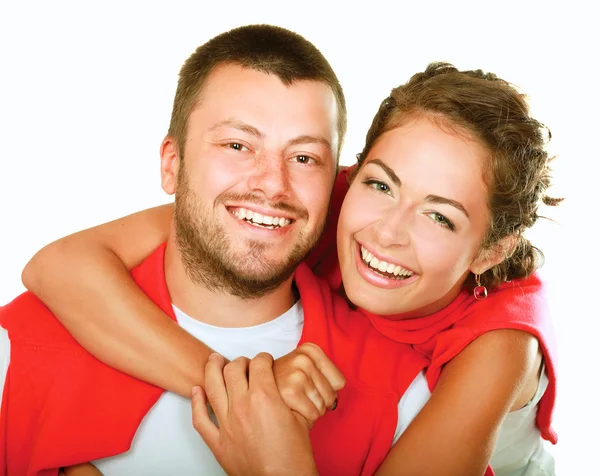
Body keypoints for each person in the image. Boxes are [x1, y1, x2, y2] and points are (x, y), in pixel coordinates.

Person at [16, 61, 560, 475]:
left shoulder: (501, 347)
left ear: (489, 252)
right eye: (380, 184)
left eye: (440, 217)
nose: (388, 232)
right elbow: (59, 265)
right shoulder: (318, 197)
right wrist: (249, 390)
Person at [0, 24, 432, 476]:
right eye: (237, 145)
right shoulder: (18, 348)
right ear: (173, 164)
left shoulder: (403, 393)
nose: (272, 183)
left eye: (304, 158)